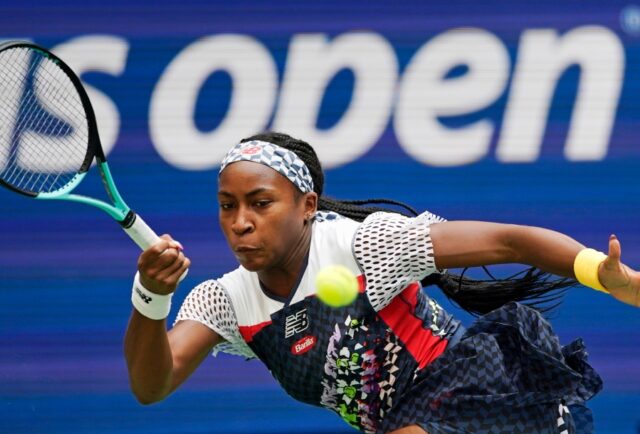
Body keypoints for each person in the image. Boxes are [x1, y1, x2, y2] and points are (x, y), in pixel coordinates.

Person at [123, 131, 639, 434]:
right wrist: (152, 297)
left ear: (307, 207)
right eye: (227, 206)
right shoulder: (224, 301)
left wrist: (605, 275)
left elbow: (510, 242)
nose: (240, 222)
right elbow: (152, 384)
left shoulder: (365, 246)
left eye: (260, 203)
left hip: (487, 394)